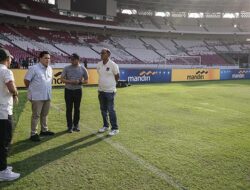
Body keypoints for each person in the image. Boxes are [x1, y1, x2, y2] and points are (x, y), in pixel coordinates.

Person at [24, 51, 55, 142]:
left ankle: (44, 130)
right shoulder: (34, 68)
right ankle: (33, 133)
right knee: (36, 115)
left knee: (45, 114)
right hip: (37, 97)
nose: (48, 60)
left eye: (49, 58)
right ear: (40, 58)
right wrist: (32, 91)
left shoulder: (50, 68)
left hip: (47, 95)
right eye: (45, 58)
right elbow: (26, 81)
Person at [0, 48, 20, 181]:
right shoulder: (5, 71)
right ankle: (2, 171)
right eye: (10, 58)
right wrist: (15, 93)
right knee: (4, 141)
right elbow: (11, 87)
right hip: (3, 111)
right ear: (7, 59)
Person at [61, 53, 89, 133]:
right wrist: (71, 81)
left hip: (78, 91)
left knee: (77, 109)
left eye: (73, 59)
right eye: (71, 59)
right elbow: (62, 79)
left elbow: (87, 80)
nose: (71, 61)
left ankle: (76, 125)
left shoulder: (83, 69)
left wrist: (80, 82)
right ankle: (69, 126)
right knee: (69, 109)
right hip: (68, 91)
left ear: (78, 60)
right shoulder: (66, 68)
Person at [97, 48, 120, 136]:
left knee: (111, 110)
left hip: (110, 91)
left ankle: (115, 128)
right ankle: (106, 126)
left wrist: (112, 84)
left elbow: (117, 76)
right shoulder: (99, 64)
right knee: (103, 110)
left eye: (103, 53)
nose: (101, 54)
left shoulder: (113, 65)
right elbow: (100, 75)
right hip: (101, 90)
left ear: (108, 55)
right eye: (101, 53)